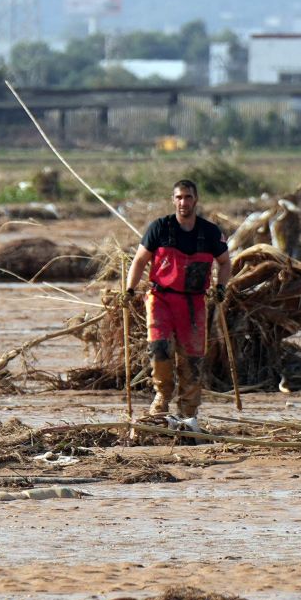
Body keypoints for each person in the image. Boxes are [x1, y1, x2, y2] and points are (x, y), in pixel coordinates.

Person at [123, 179, 232, 429]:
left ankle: (187, 413)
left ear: (196, 200)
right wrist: (128, 290)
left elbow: (225, 262)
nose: (184, 202)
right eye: (179, 197)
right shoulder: (159, 228)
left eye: (188, 197)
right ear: (174, 200)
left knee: (193, 358)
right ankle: (161, 399)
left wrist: (221, 287)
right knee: (159, 348)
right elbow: (140, 261)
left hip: (193, 302)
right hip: (161, 298)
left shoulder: (211, 233)